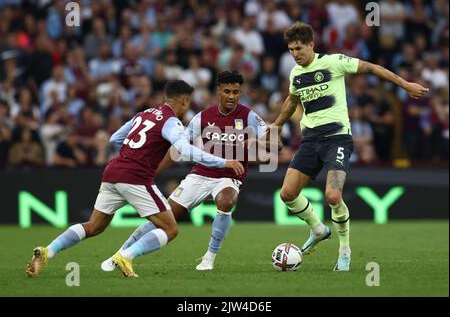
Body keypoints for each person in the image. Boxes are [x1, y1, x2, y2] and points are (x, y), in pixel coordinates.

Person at [26, 80, 244, 278]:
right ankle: (127, 256)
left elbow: (115, 138)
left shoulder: (144, 114)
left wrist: (136, 152)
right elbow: (185, 150)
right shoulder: (171, 122)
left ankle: (48, 251)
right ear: (184, 101)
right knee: (171, 229)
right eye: (188, 103)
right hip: (136, 177)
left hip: (113, 172)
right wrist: (223, 162)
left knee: (93, 226)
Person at [271, 22, 428, 271]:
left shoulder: (333, 62)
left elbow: (372, 68)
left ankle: (344, 251)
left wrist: (405, 85)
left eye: (298, 48)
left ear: (311, 45)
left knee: (333, 196)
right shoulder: (295, 74)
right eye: (291, 50)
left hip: (336, 139)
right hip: (310, 141)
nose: (295, 54)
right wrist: (277, 126)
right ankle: (319, 229)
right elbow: (292, 101)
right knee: (287, 194)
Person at [101, 70, 269, 271]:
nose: (232, 96)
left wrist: (257, 140)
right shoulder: (202, 118)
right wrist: (152, 173)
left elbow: (275, 145)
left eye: (236, 92)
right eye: (227, 91)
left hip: (229, 177)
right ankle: (120, 254)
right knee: (165, 217)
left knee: (227, 200)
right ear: (218, 91)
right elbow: (176, 151)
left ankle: (209, 258)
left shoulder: (249, 116)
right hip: (199, 175)